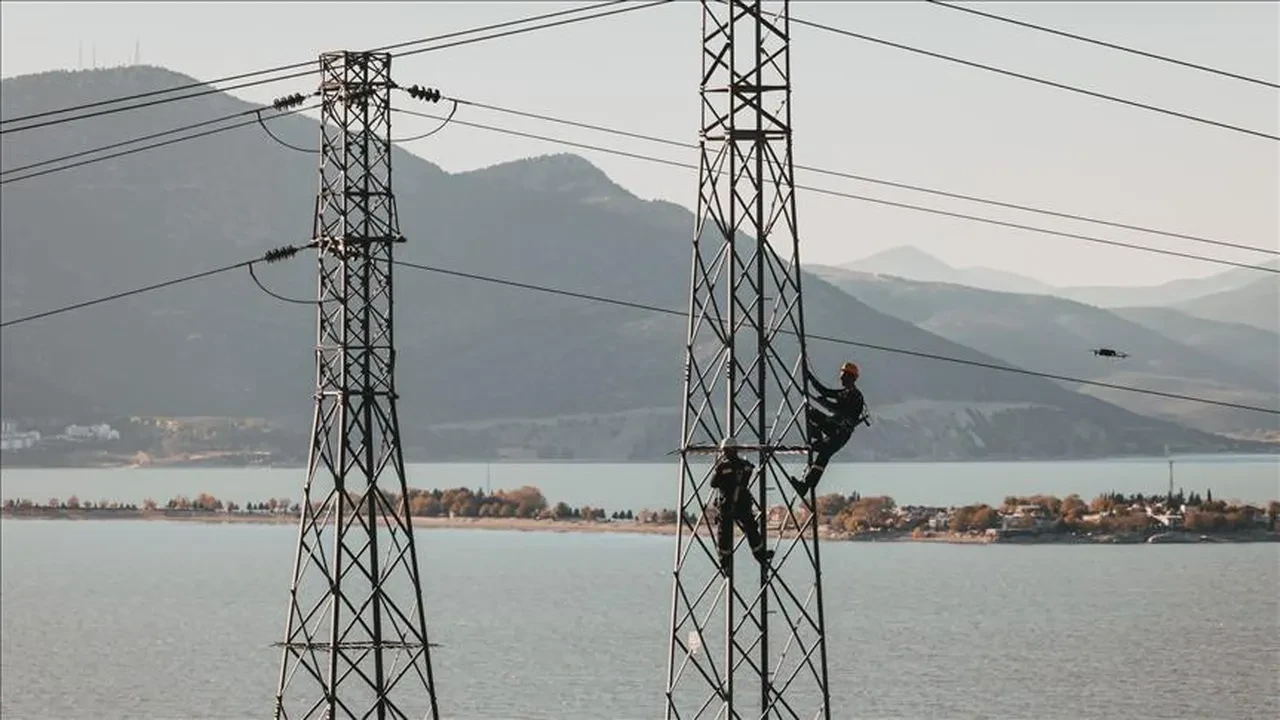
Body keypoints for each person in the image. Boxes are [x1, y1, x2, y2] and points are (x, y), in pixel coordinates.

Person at [790, 361, 867, 496]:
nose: (841, 378)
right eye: (841, 375)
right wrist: (809, 377)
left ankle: (816, 443)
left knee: (813, 415)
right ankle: (805, 486)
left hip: (839, 432)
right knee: (822, 457)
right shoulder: (846, 393)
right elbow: (825, 391)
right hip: (837, 433)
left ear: (851, 377)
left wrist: (825, 402)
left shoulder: (855, 395)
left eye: (844, 376)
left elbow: (839, 409)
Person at [709, 437, 774, 569]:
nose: (725, 453)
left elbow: (713, 483)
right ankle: (761, 556)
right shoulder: (745, 465)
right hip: (743, 503)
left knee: (724, 534)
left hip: (727, 503)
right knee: (751, 530)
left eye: (725, 451)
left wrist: (721, 474)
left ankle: (725, 562)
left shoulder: (722, 467)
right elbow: (747, 475)